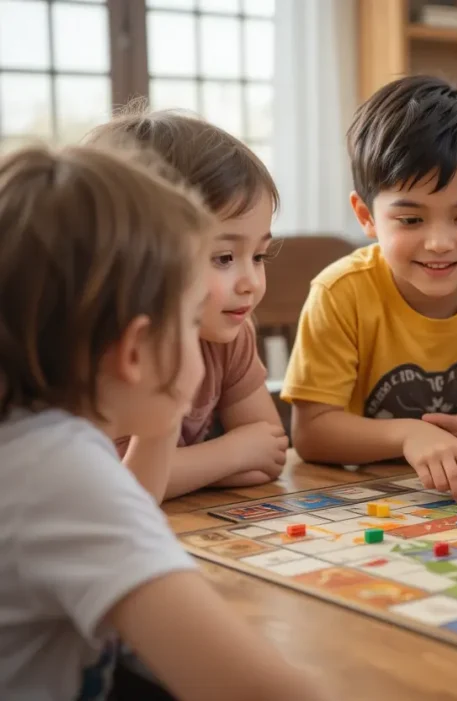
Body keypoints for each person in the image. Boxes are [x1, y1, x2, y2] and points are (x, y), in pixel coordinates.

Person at [0, 145, 334, 700]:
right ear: (134, 350)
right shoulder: (61, 477)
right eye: (186, 319)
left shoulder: (36, 439)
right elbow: (254, 692)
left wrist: (159, 416)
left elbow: (135, 495)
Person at [282, 75, 457, 503]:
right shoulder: (340, 292)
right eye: (411, 220)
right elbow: (312, 433)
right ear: (366, 215)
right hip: (363, 499)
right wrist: (408, 434)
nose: (439, 243)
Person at [86, 104, 289, 500]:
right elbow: (116, 492)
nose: (251, 282)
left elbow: (269, 454)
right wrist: (231, 452)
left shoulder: (232, 333)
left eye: (259, 256)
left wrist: (189, 471)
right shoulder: (104, 355)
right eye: (224, 258)